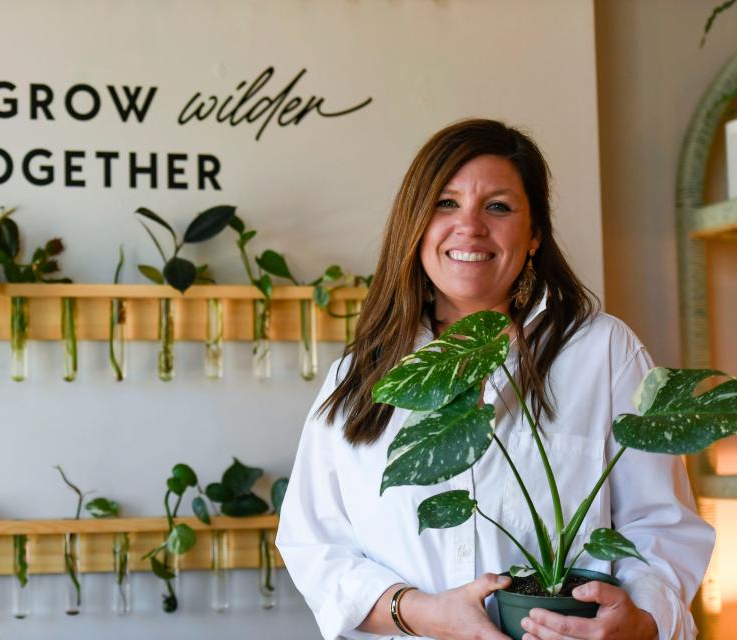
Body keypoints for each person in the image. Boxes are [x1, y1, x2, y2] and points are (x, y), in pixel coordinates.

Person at [276, 119, 714, 640]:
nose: (471, 226)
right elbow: (315, 545)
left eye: (499, 207)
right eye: (446, 203)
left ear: (534, 236)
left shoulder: (602, 352)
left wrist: (641, 622)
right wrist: (418, 612)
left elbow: (660, 526)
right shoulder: (361, 377)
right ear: (414, 225)